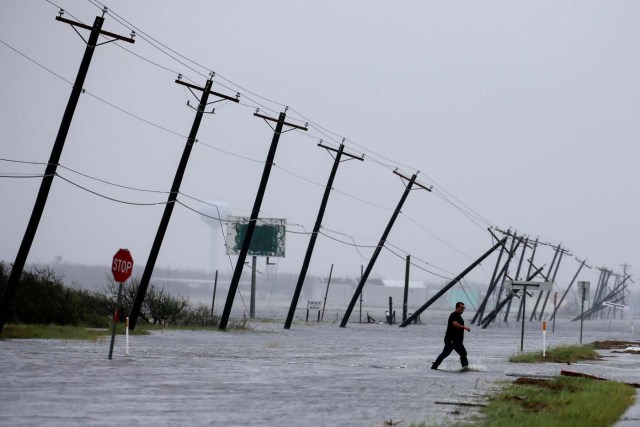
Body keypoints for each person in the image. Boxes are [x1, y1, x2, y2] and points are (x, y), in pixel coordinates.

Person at [431, 302, 470, 370]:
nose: (463, 309)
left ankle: (434, 366)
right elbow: (455, 324)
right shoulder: (454, 315)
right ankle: (465, 367)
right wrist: (465, 327)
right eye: (461, 308)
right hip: (451, 340)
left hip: (457, 341)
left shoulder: (460, 317)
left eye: (464, 308)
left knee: (446, 354)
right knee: (461, 353)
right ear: (457, 308)